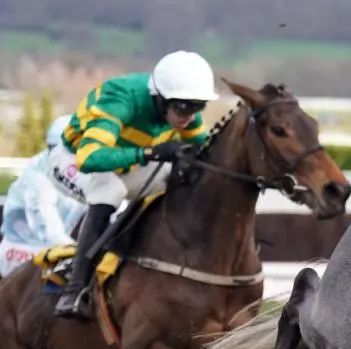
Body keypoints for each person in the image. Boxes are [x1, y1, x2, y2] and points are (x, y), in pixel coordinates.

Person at [48, 50, 219, 319]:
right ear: (160, 98)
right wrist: (149, 153)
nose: (190, 115)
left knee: (178, 180)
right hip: (71, 160)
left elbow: (207, 152)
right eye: (184, 107)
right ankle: (74, 290)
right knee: (109, 189)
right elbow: (89, 158)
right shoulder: (121, 99)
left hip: (124, 165)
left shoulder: (184, 108)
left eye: (198, 106)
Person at [0, 115, 88, 277]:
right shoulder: (37, 173)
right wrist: (74, 251)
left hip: (51, 248)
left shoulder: (80, 172)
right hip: (22, 251)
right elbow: (46, 219)